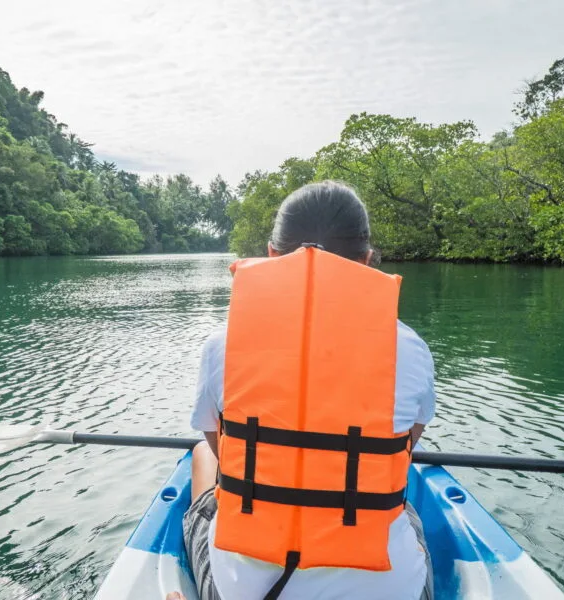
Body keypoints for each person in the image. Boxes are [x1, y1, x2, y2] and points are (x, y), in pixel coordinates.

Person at [175, 181, 436, 600]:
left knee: (204, 454)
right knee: (403, 505)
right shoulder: (409, 347)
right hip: (387, 590)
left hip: (248, 590)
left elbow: (225, 451)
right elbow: (405, 447)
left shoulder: (221, 343)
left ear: (272, 255)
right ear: (367, 260)